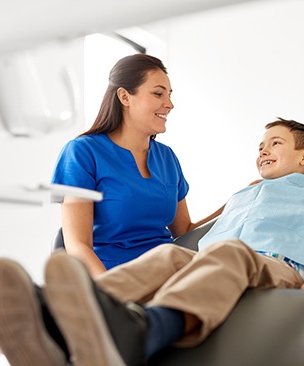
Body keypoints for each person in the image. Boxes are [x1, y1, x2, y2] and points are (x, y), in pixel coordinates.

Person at [0, 118, 304, 366]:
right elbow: (201, 229)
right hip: (228, 262)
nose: (263, 150)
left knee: (228, 252)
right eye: (260, 145)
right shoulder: (246, 193)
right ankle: (60, 319)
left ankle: (146, 329)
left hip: (281, 268)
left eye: (274, 143)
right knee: (168, 254)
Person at [51, 54, 220, 277]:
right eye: (158, 94)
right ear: (124, 97)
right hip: (113, 278)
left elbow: (186, 232)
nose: (169, 104)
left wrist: (242, 200)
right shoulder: (82, 152)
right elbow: (77, 246)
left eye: (169, 95)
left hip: (168, 273)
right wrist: (112, 294)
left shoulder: (167, 157)